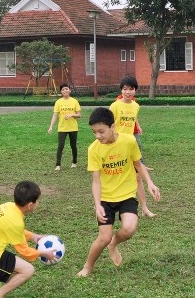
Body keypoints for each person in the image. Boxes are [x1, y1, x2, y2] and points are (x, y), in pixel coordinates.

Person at [77, 107, 160, 277]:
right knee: (103, 238)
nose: (98, 136)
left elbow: (138, 164)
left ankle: (114, 243)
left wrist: (150, 183)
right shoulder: (94, 149)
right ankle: (88, 266)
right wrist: (98, 204)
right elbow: (96, 180)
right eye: (94, 132)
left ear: (112, 126)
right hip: (106, 198)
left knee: (129, 229)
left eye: (101, 131)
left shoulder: (129, 141)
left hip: (127, 195)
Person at [109, 76, 156, 217]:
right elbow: (109, 125)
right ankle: (108, 206)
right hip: (116, 146)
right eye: (125, 89)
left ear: (135, 90)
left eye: (131, 89)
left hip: (131, 146)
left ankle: (145, 208)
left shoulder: (136, 106)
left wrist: (139, 126)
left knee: (138, 178)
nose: (128, 92)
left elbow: (134, 119)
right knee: (115, 178)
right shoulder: (115, 106)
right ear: (121, 90)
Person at [47, 83, 81, 170]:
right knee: (60, 146)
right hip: (62, 128)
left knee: (73, 145)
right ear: (61, 92)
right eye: (62, 90)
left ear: (69, 90)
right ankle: (58, 165)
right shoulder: (58, 102)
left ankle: (74, 162)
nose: (65, 91)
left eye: (66, 89)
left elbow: (79, 115)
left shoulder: (74, 101)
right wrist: (51, 126)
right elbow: (55, 115)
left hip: (73, 127)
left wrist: (71, 115)